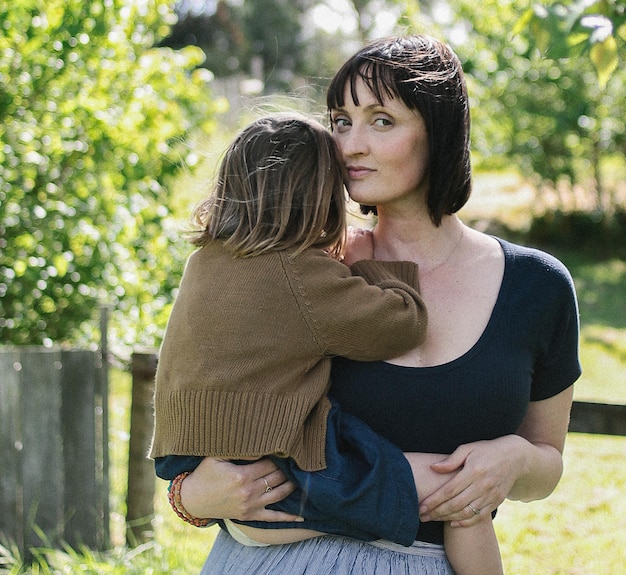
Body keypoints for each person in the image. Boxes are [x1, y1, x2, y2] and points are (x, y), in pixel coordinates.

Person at [173, 35, 581, 574]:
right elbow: (207, 398)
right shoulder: (295, 269)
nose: (349, 145)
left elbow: (546, 464)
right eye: (341, 120)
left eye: (381, 121)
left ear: (439, 134)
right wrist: (193, 495)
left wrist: (515, 460)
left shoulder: (536, 286)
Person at [149, 112, 503, 573]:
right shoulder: (300, 274)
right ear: (319, 200)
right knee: (457, 490)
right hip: (280, 468)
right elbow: (403, 324)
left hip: (201, 458)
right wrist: (371, 261)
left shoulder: (205, 261)